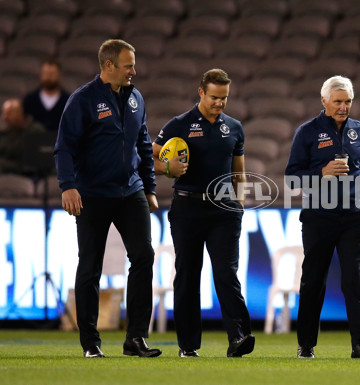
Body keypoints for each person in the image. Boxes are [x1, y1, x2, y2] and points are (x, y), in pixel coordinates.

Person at [54, 39, 161, 359]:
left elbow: (143, 144)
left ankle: (136, 339)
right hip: (92, 195)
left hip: (130, 191)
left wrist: (150, 187)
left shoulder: (136, 98)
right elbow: (64, 147)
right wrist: (67, 186)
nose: (134, 71)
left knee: (143, 256)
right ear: (109, 66)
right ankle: (90, 342)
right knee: (90, 266)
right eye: (128, 65)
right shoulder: (82, 100)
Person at [152, 68, 254, 358]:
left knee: (226, 273)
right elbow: (151, 159)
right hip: (187, 207)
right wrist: (167, 168)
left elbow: (240, 173)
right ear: (201, 93)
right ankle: (187, 346)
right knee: (187, 275)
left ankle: (239, 337)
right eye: (214, 97)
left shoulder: (234, 127)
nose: (219, 103)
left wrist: (240, 205)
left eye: (224, 98)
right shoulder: (179, 124)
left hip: (224, 211)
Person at [285, 76, 360, 359]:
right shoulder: (307, 132)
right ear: (324, 100)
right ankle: (306, 346)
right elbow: (291, 178)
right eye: (338, 101)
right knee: (313, 281)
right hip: (318, 216)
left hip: (354, 217)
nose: (343, 106)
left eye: (348, 101)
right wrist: (320, 173)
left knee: (353, 281)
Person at [23, 58, 70, 132]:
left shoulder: (68, 101)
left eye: (52, 74)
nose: (48, 77)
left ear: (59, 75)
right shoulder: (30, 99)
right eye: (45, 73)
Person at [0, 98, 46, 175]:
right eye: (3, 113)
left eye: (8, 113)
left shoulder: (35, 131)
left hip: (30, 176)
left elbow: (30, 162)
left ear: (19, 113)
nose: (4, 117)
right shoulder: (3, 133)